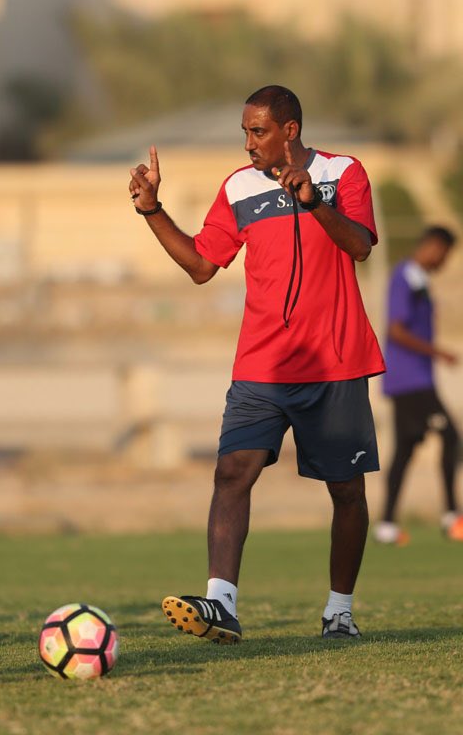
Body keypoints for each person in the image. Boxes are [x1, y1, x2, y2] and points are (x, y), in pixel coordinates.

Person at [129, 85, 385, 642]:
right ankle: (221, 605)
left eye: (258, 131)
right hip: (261, 368)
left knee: (346, 492)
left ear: (289, 130)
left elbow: (361, 246)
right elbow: (201, 265)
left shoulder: (345, 173)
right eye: (244, 132)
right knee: (231, 472)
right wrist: (152, 210)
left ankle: (339, 611)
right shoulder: (238, 187)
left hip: (335, 364)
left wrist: (315, 202)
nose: (248, 143)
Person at [375, 226, 461, 545]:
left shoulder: (419, 280)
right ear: (433, 246)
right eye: (445, 253)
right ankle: (452, 516)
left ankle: (385, 525)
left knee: (405, 450)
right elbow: (395, 330)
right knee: (451, 435)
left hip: (412, 380)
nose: (445, 261)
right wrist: (439, 353)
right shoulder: (406, 277)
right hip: (411, 380)